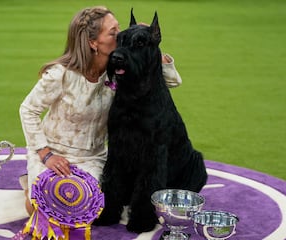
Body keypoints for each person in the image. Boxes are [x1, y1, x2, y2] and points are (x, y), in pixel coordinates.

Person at [19, 6, 182, 215]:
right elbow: (28, 109)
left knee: (85, 209)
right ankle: (32, 186)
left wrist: (146, 43)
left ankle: (37, 186)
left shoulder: (119, 72)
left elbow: (172, 81)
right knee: (45, 208)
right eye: (114, 32)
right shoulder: (60, 74)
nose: (121, 35)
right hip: (53, 153)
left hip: (93, 158)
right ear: (93, 42)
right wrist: (45, 153)